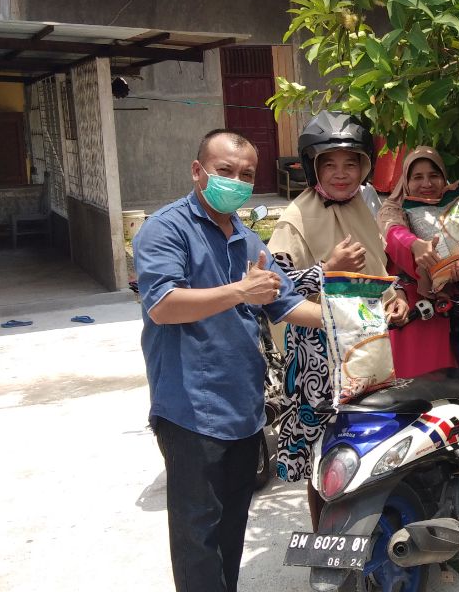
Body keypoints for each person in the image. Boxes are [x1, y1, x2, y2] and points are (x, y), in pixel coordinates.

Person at [133, 129, 325, 592]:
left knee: (232, 527)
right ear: (198, 172)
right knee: (198, 537)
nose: (236, 182)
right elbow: (162, 304)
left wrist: (358, 318)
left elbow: (287, 304)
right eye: (225, 172)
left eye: (246, 175)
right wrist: (240, 291)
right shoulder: (166, 228)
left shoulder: (245, 238)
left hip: (244, 408)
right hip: (190, 409)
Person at [265, 111, 406, 525]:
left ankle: (370, 524)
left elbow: (379, 272)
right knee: (324, 454)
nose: (341, 174)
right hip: (318, 360)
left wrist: (393, 296)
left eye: (350, 164)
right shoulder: (296, 216)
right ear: (314, 167)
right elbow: (276, 287)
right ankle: (325, 534)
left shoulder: (365, 207)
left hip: (369, 352)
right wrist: (328, 266)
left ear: (363, 167)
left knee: (370, 440)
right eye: (330, 164)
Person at [376, 146, 459, 377]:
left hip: (450, 310)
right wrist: (415, 245)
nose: (427, 183)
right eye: (417, 177)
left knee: (450, 390)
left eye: (434, 175)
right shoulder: (393, 209)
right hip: (410, 310)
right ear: (406, 180)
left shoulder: (452, 207)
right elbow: (393, 233)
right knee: (415, 389)